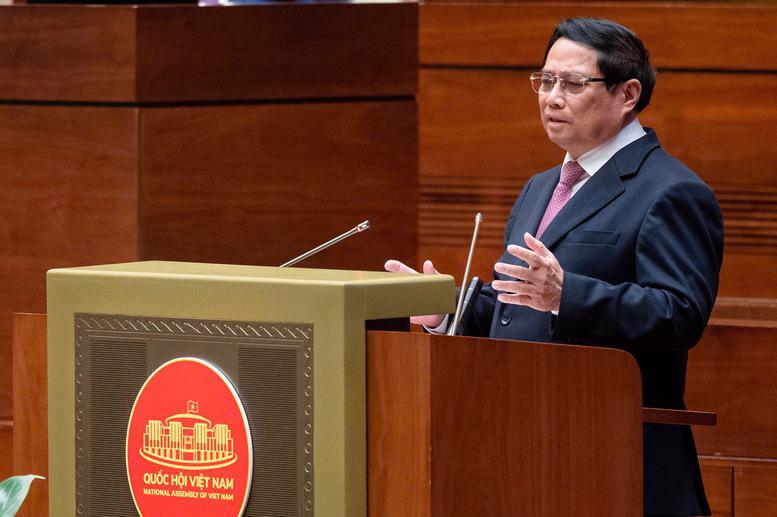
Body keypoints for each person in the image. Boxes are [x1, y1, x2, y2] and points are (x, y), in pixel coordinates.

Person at [386, 17, 722, 517]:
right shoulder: (541, 186)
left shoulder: (670, 191)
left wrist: (568, 295)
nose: (551, 97)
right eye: (544, 81)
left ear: (627, 94)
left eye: (572, 83)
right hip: (523, 449)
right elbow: (517, 303)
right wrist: (446, 307)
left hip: (612, 454)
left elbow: (679, 315)